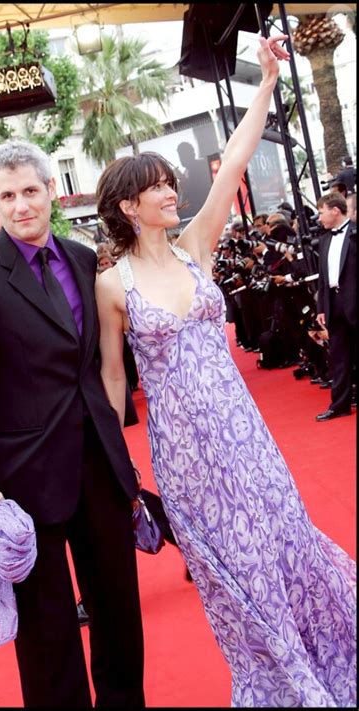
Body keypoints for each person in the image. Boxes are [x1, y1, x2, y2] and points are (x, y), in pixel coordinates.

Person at [95, 35, 356, 708]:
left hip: (244, 434)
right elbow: (114, 378)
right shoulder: (113, 285)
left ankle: (324, 663)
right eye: (156, 186)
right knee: (236, 571)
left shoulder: (196, 249)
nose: (168, 191)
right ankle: (278, 685)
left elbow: (234, 160)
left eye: (169, 183)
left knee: (286, 544)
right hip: (186, 455)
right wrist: (115, 465)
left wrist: (266, 82)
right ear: (128, 205)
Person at [0, 139, 144, 708]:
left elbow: (98, 370)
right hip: (23, 481)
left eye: (31, 190)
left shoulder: (80, 259)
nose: (22, 205)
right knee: (47, 632)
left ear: (51, 190)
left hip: (98, 465)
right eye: (8, 195)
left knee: (119, 609)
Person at [315, 192, 356, 420]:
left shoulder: (355, 234)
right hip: (333, 303)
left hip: (354, 302)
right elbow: (322, 278)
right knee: (338, 356)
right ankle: (339, 405)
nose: (319, 218)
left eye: (322, 213)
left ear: (335, 211)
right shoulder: (324, 240)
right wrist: (321, 307)